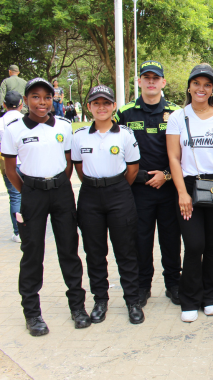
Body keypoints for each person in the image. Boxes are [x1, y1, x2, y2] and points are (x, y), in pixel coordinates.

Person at [1, 78, 90, 336]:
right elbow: (9, 168)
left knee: (69, 251)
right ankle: (32, 313)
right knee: (32, 254)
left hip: (61, 193)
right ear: (26, 100)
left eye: (47, 97)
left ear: (53, 99)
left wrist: (60, 184)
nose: (42, 102)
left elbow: (67, 161)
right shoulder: (14, 129)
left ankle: (77, 307)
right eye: (36, 97)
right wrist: (28, 191)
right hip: (32, 193)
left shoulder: (63, 125)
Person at [72, 85, 144, 325]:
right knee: (95, 252)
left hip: (119, 194)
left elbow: (132, 169)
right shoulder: (80, 135)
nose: (101, 107)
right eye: (96, 103)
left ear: (114, 106)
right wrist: (97, 185)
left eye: (106, 103)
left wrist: (115, 186)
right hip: (90, 195)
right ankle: (100, 300)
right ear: (89, 107)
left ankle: (133, 301)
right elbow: (79, 170)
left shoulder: (124, 134)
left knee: (126, 250)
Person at [166, 64, 213, 323]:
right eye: (197, 84)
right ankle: (189, 299)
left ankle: (211, 298)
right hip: (189, 186)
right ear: (189, 87)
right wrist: (182, 192)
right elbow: (173, 157)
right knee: (194, 245)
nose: (201, 89)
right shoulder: (177, 117)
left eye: (207, 85)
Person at [115, 61, 183, 307]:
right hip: (138, 189)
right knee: (141, 240)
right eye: (147, 77)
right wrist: (139, 176)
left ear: (163, 82)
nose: (151, 82)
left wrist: (165, 174)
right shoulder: (124, 113)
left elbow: (184, 151)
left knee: (170, 239)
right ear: (140, 81)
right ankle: (143, 286)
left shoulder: (177, 112)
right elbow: (115, 151)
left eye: (156, 78)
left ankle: (174, 284)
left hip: (168, 187)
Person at [0, 91, 24, 242]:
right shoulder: (27, 120)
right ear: (21, 105)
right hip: (27, 163)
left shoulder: (1, 122)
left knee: (15, 197)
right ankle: (32, 229)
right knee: (31, 196)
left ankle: (18, 232)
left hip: (9, 163)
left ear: (4, 105)